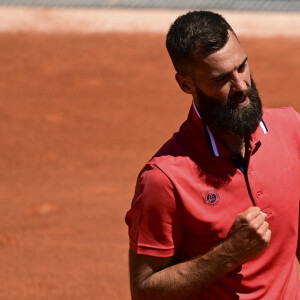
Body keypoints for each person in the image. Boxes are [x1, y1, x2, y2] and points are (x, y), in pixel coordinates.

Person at [125, 10, 300, 299]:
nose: (242, 86)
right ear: (186, 84)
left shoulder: (290, 129)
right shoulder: (165, 179)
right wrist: (229, 253)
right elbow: (144, 290)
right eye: (221, 79)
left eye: (242, 66)